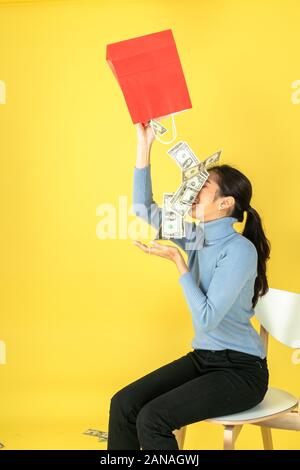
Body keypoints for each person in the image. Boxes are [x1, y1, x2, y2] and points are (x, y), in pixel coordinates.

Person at [107, 122, 271, 450]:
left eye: (203, 186)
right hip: (204, 359)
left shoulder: (239, 250)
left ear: (226, 204)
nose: (192, 190)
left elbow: (207, 318)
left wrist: (179, 263)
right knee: (124, 404)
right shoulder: (195, 236)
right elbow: (143, 209)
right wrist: (145, 146)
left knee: (152, 418)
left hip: (241, 372)